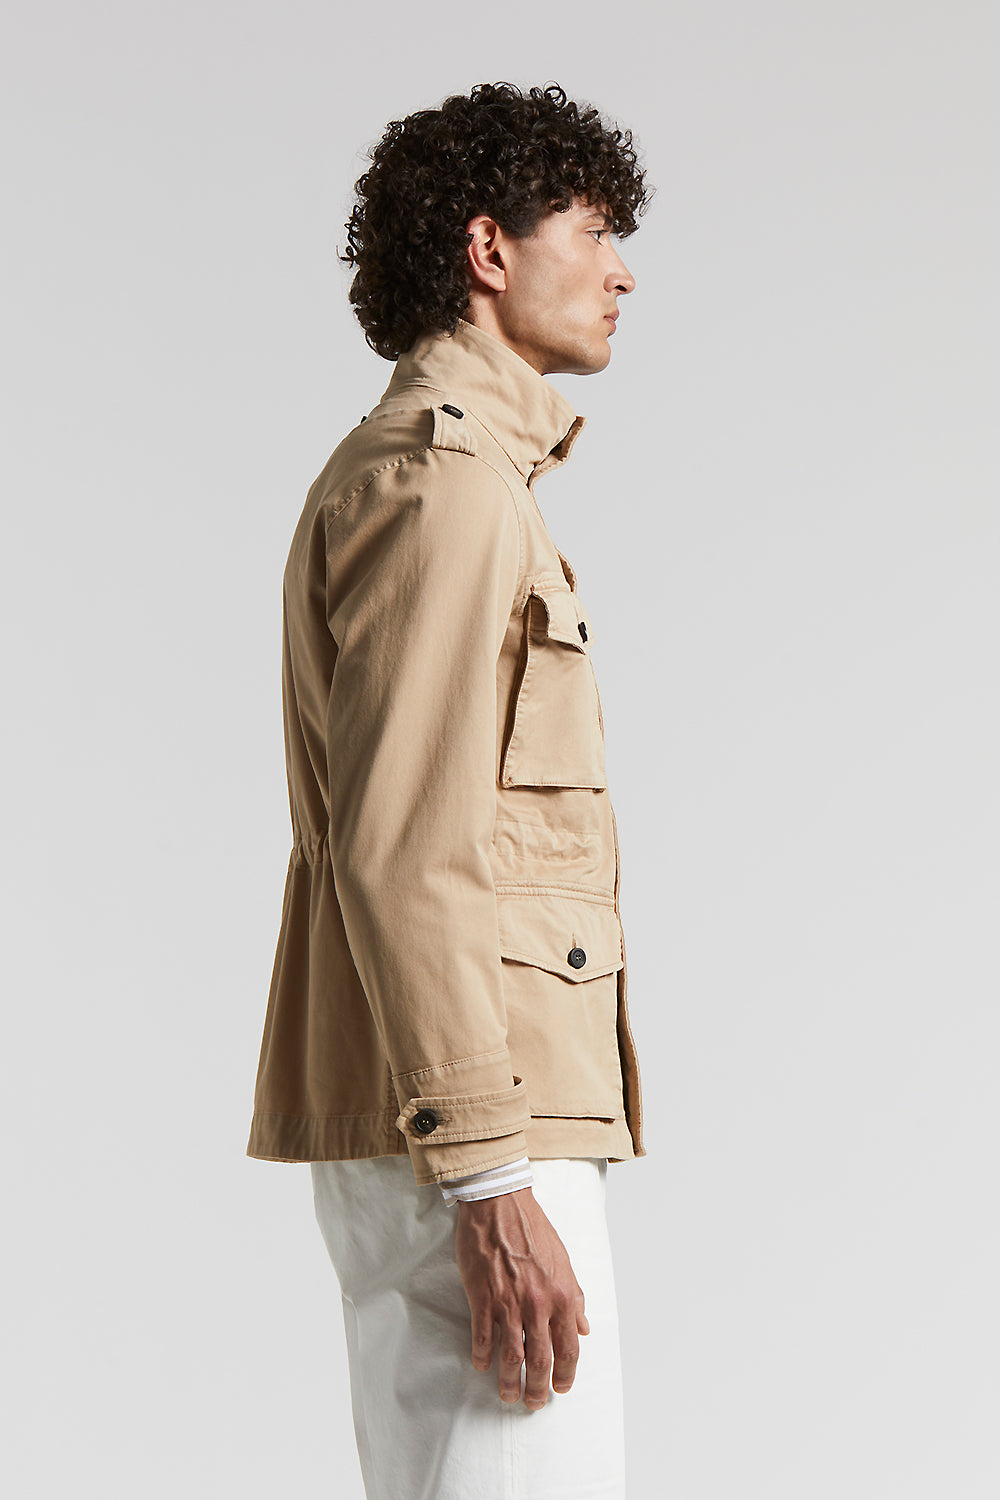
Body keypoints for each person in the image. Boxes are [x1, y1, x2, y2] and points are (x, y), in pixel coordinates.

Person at [246, 80, 653, 1499]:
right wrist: (488, 1179)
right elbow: (405, 848)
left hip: (455, 1106)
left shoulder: (445, 476)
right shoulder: (447, 484)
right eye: (593, 231)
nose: (622, 272)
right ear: (490, 250)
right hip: (482, 1119)